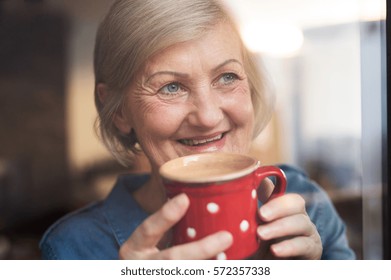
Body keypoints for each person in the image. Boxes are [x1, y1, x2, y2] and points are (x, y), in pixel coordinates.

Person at [40, 0, 355, 260]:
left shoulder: (305, 202)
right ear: (120, 111)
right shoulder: (73, 248)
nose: (207, 116)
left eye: (227, 77)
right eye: (171, 87)